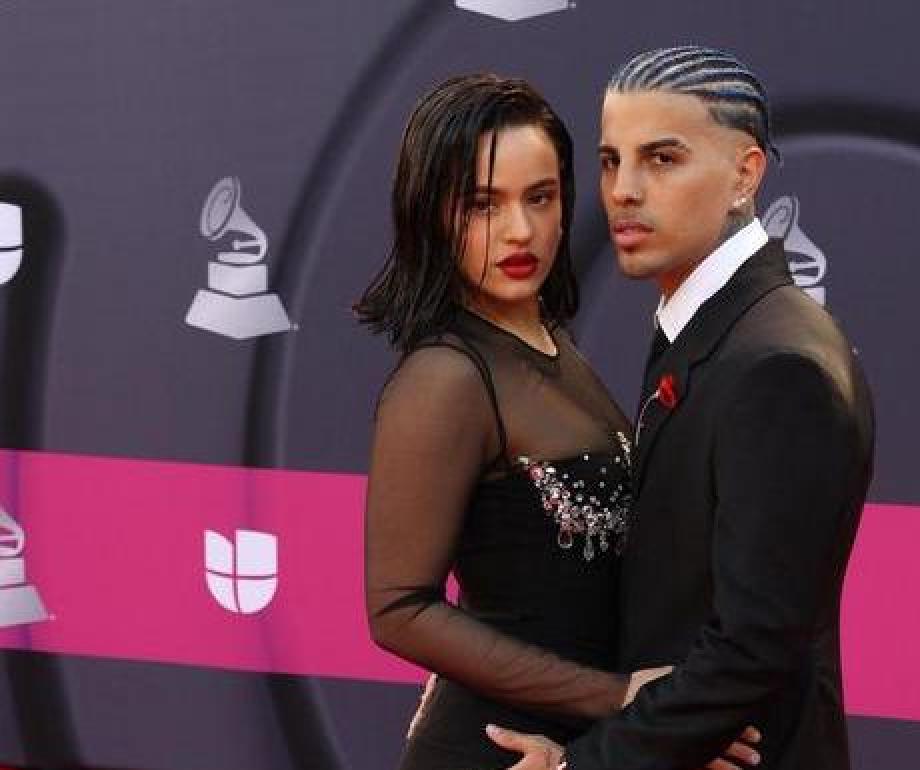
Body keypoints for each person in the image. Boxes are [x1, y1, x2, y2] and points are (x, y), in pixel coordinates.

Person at [357, 73, 760, 770]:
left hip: (576, 744)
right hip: (497, 749)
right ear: (431, 214)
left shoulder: (550, 340)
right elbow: (398, 608)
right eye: (483, 205)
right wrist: (616, 696)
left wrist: (663, 714)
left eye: (539, 198)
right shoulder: (446, 378)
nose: (520, 231)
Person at [488, 46, 876, 770]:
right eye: (610, 161)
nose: (623, 192)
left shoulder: (778, 363)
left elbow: (751, 647)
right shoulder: (708, 329)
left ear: (745, 174)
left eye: (661, 160)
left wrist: (583, 764)